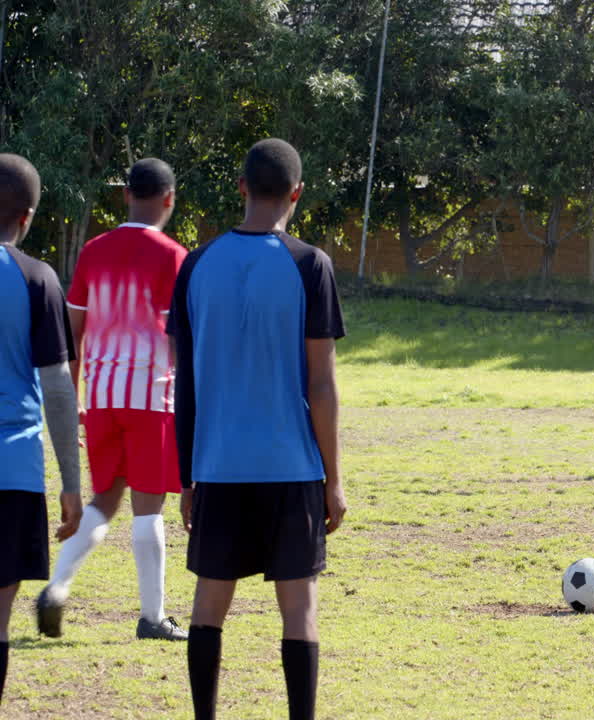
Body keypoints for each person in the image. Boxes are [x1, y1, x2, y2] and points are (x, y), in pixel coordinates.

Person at [168, 138, 346, 720]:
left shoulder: (195, 264)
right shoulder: (309, 265)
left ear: (241, 187)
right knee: (299, 609)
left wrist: (187, 478)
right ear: (297, 194)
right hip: (292, 467)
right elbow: (321, 384)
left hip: (217, 465)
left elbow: (185, 385)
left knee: (207, 607)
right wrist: (334, 480)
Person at [38, 158, 189, 641]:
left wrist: (79, 399)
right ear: (169, 199)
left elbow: (72, 333)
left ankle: (57, 586)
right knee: (149, 507)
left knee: (104, 499)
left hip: (101, 398)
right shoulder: (174, 256)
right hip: (151, 396)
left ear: (125, 195)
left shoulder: (93, 250)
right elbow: (182, 339)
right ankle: (152, 617)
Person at [0, 153, 81, 705]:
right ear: (28, 217)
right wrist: (72, 484)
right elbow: (57, 388)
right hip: (14, 473)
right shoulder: (37, 278)